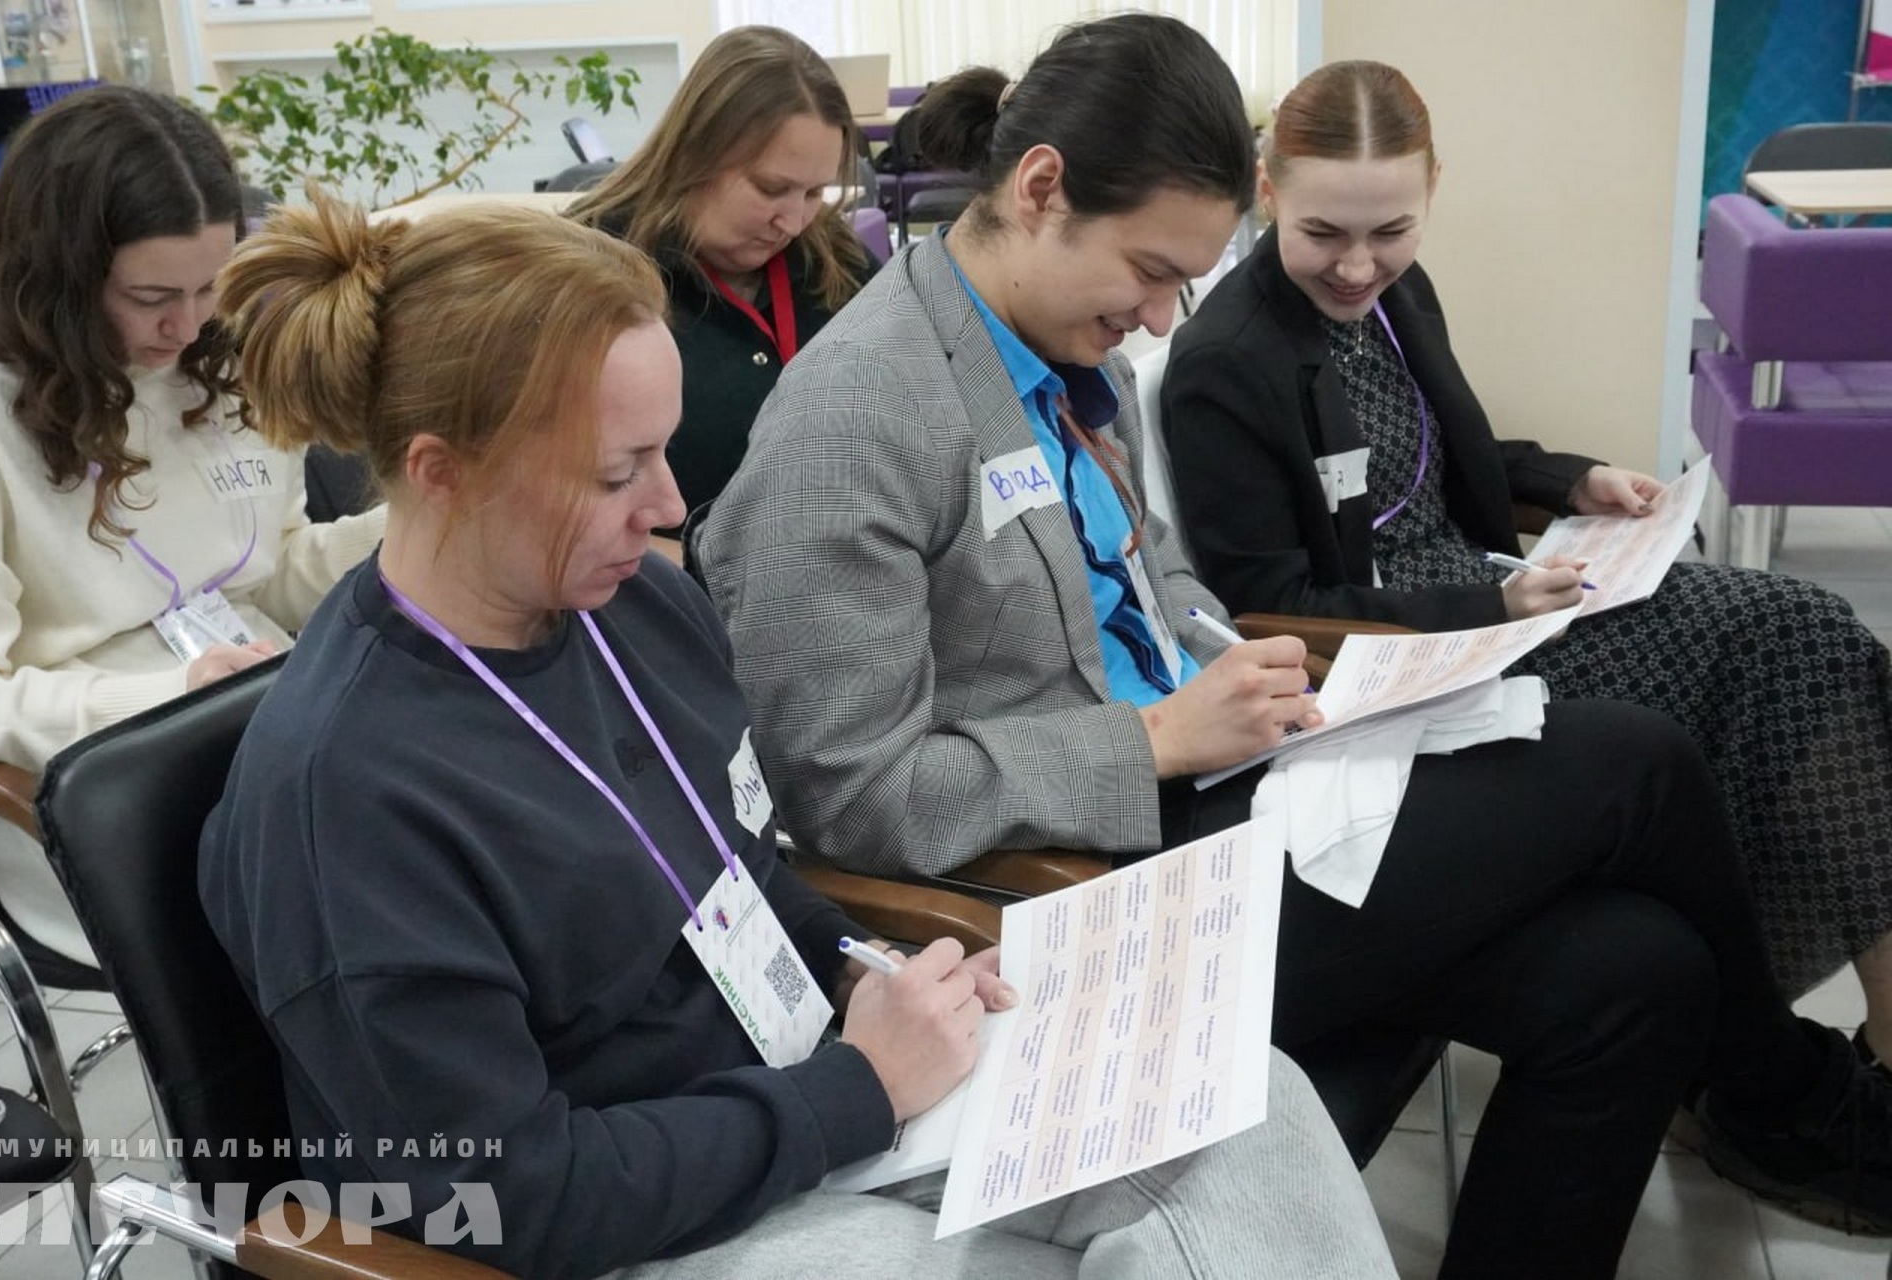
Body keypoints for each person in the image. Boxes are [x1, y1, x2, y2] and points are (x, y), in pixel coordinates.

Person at [699, 14, 1892, 1275]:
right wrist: (1154, 737)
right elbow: (850, 793)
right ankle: (1787, 1096)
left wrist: (1276, 679)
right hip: (1097, 887)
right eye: (1150, 271)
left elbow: (1156, 576)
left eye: (1184, 282)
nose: (1159, 318)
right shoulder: (857, 417)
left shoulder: (1052, 352)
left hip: (1235, 791)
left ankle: (1770, 1092)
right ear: (1041, 188)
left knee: (1642, 974)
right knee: (1633, 763)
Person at [198, 192, 1400, 1280]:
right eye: (618, 472)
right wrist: (855, 1089)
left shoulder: (632, 607)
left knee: (1247, 1100)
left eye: (664, 451)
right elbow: (510, 1197)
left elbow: (742, 869)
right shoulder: (347, 800)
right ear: (441, 471)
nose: (670, 506)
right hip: (630, 1217)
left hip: (801, 1097)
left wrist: (869, 967)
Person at [1159, 59, 1892, 1063]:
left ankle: (1789, 1034)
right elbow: (1270, 601)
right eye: (1324, 233)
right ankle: (1769, 1048)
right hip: (1419, 657)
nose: (1359, 267)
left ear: (1432, 190)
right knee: (1785, 656)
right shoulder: (1227, 362)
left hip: (1497, 599)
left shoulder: (1399, 299)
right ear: (1269, 190)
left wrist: (1572, 478)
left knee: (1808, 632)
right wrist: (1491, 605)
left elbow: (1431, 454)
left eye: (1391, 231)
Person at [0, 86, 383, 967]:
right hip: (95, 782)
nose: (187, 325)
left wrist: (412, 528)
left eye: (210, 287)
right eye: (151, 295)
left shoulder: (219, 371)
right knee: (394, 880)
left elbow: (271, 578)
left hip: (260, 726)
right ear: (59, 276)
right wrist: (170, 694)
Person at [567, 25, 876, 527]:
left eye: (814, 193)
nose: (793, 222)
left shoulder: (837, 258)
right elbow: (552, 499)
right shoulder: (586, 270)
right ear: (696, 153)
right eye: (771, 188)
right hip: (662, 568)